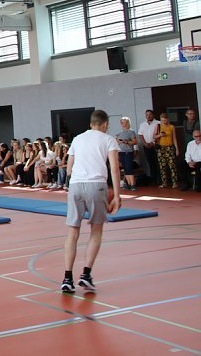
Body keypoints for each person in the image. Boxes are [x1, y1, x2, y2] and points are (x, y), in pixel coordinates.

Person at [61, 110, 121, 294]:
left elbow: (69, 168)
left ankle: (67, 278)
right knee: (96, 230)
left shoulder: (77, 139)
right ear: (104, 124)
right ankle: (86, 275)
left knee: (72, 232)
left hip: (76, 185)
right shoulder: (108, 139)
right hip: (96, 185)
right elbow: (115, 169)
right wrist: (117, 195)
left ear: (90, 123)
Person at [154, 113, 180, 189]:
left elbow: (174, 138)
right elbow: (154, 136)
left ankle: (175, 182)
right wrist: (160, 135)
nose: (163, 122)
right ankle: (164, 182)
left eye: (165, 120)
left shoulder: (171, 127)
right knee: (162, 166)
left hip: (170, 147)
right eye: (162, 120)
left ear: (167, 119)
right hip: (161, 147)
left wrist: (177, 148)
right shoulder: (158, 126)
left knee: (172, 165)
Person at [137, 110, 160, 185]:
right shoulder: (142, 124)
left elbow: (159, 135)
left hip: (156, 145)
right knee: (150, 163)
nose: (148, 116)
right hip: (146, 146)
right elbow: (140, 134)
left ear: (153, 115)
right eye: (147, 115)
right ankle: (153, 180)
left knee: (158, 163)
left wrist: (153, 143)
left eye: (150, 114)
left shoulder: (158, 123)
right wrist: (145, 143)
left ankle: (160, 180)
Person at [115, 117, 138, 191]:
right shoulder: (119, 132)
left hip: (128, 152)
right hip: (121, 152)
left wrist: (126, 142)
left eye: (124, 122)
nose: (122, 124)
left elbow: (134, 142)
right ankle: (128, 184)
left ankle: (132, 184)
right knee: (125, 168)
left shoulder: (131, 132)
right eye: (121, 122)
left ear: (127, 123)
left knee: (129, 168)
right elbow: (116, 141)